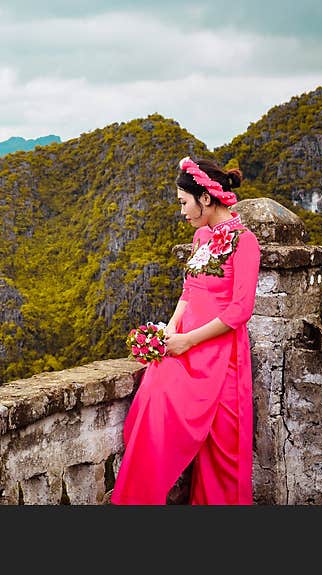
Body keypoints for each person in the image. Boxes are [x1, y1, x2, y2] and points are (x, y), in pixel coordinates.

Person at [110, 157, 261, 505]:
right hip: (184, 344)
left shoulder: (244, 242)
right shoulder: (201, 237)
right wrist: (169, 334)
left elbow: (241, 310)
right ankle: (140, 495)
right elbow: (189, 291)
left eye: (183, 202)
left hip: (222, 355)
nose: (181, 211)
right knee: (153, 399)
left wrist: (187, 341)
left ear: (205, 198)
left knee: (224, 451)